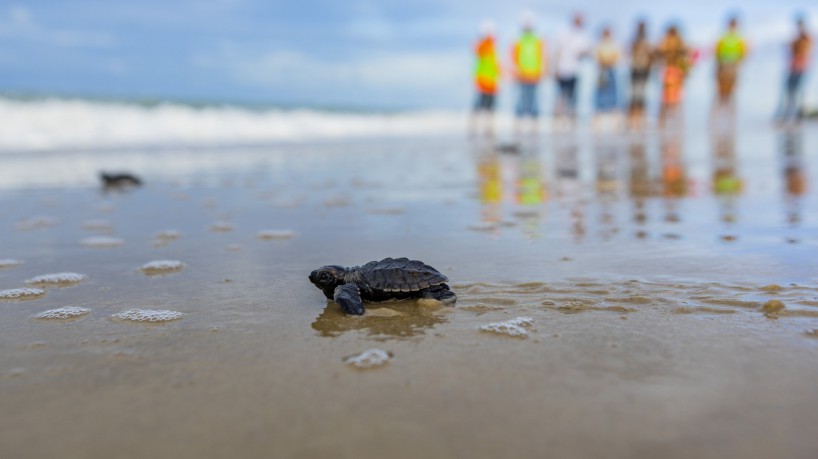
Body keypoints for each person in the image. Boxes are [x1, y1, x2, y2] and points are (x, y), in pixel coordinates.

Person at [554, 13, 591, 127]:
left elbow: (586, 52)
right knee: (561, 95)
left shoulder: (583, 35)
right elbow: (558, 51)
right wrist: (556, 68)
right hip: (563, 68)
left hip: (575, 70)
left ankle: (571, 120)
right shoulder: (564, 33)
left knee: (573, 96)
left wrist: (583, 53)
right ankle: (559, 120)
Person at [511, 12, 546, 134]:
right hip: (522, 74)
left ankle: (534, 127)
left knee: (533, 100)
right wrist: (515, 71)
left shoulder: (537, 40)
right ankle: (518, 126)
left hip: (534, 74)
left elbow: (541, 56)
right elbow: (514, 57)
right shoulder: (518, 40)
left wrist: (542, 70)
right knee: (521, 100)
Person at [777, 16, 812, 123]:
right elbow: (789, 48)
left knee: (798, 92)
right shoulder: (796, 39)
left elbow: (804, 50)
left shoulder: (805, 38)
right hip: (793, 68)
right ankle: (787, 115)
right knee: (789, 92)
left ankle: (797, 116)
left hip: (800, 69)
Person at [470, 21, 501, 136]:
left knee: (490, 108)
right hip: (483, 80)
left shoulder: (492, 47)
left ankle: (488, 130)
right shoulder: (483, 45)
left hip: (491, 81)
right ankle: (474, 128)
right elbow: (477, 50)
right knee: (479, 106)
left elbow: (494, 64)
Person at [656, 25, 691, 128]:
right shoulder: (678, 42)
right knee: (674, 99)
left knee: (668, 99)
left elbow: (659, 52)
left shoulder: (666, 41)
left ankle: (665, 123)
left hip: (670, 71)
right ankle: (675, 123)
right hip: (674, 71)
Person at [713, 16, 748, 112]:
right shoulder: (733, 38)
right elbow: (717, 52)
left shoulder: (732, 38)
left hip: (728, 67)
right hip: (727, 67)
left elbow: (743, 53)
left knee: (727, 93)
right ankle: (723, 111)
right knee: (724, 92)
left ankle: (724, 111)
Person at [594, 26, 622, 128]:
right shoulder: (599, 44)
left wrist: (607, 61)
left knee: (612, 94)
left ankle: (614, 119)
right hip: (602, 71)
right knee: (600, 94)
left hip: (611, 70)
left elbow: (616, 56)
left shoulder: (613, 44)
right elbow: (597, 56)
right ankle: (598, 118)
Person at [628, 21, 653, 129]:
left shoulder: (647, 41)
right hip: (636, 70)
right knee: (635, 95)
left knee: (641, 95)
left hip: (644, 70)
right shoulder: (635, 41)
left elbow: (651, 56)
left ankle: (640, 119)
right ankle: (633, 120)